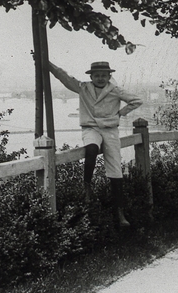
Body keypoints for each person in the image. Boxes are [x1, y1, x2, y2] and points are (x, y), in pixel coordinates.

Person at [41, 59, 144, 228]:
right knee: (91, 149)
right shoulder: (84, 88)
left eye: (104, 75)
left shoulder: (115, 90)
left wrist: (120, 114)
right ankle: (87, 187)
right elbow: (65, 78)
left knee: (116, 171)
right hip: (90, 128)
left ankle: (120, 213)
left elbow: (136, 101)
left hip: (110, 130)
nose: (100, 78)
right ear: (91, 76)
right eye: (97, 75)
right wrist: (48, 64)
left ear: (109, 76)